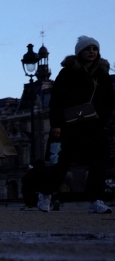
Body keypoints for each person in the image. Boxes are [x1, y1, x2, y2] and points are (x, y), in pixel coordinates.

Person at [36, 36, 115, 214]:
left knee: (99, 163)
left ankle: (96, 199)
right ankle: (46, 193)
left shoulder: (102, 74)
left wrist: (101, 118)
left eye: (95, 49)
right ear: (80, 52)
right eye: (88, 49)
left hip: (94, 125)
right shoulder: (68, 73)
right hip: (71, 125)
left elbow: (109, 100)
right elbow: (56, 101)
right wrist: (56, 125)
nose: (92, 52)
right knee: (63, 162)